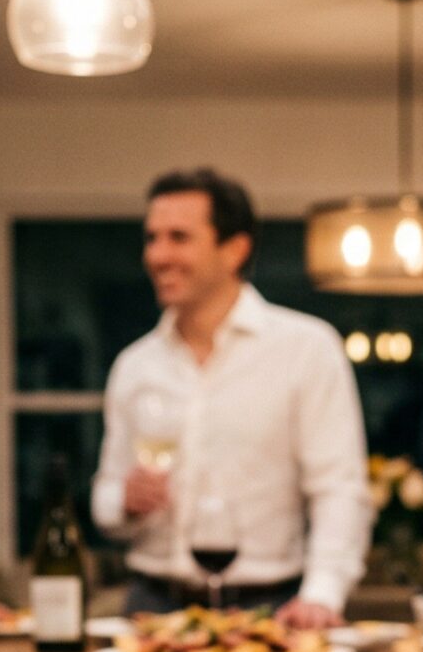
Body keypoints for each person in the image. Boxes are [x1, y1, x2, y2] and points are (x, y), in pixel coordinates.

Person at [91, 168, 371, 627]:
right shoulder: (135, 366)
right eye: (152, 238)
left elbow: (339, 489)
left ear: (234, 249)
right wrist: (124, 501)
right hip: (152, 605)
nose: (158, 255)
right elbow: (105, 500)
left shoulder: (305, 348)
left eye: (179, 237)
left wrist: (322, 595)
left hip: (268, 606)